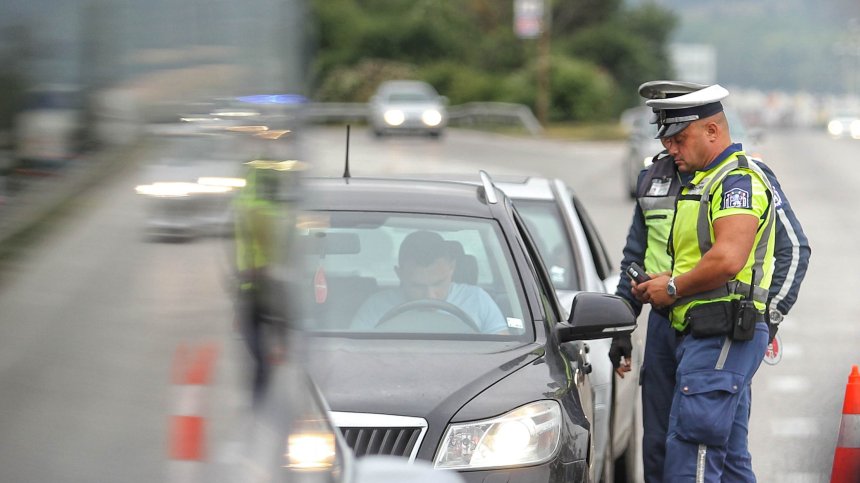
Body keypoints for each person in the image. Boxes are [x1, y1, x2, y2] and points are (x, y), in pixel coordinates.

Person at [610, 81, 811, 482]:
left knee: (694, 451)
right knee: (688, 452)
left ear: (712, 131)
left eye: (680, 138)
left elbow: (773, 253)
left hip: (718, 324)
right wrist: (621, 323)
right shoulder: (659, 179)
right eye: (667, 138)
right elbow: (637, 255)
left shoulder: (739, 179)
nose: (672, 148)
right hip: (671, 324)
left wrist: (767, 318)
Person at [351, 230, 509, 334]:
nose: (430, 296)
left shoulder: (477, 300)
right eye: (417, 286)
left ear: (452, 268)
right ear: (399, 274)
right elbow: (354, 356)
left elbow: (504, 355)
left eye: (438, 283)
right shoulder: (376, 307)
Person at [233, 163, 286, 408]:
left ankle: (260, 410)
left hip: (258, 295)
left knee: (264, 365)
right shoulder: (265, 210)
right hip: (264, 295)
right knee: (266, 364)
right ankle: (262, 411)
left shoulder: (244, 206)